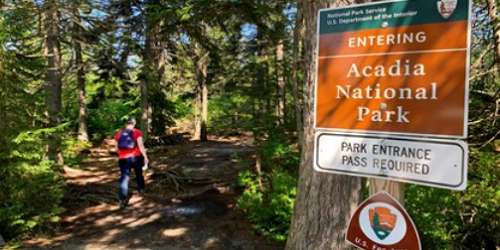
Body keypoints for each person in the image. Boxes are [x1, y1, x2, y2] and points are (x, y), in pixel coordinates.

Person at [114, 118, 149, 209]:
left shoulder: (118, 133)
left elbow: (116, 149)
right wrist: (145, 157)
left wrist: (122, 154)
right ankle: (141, 189)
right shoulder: (137, 132)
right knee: (139, 173)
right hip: (136, 157)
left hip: (123, 159)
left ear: (126, 123)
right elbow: (141, 145)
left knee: (124, 178)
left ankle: (122, 199)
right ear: (134, 123)